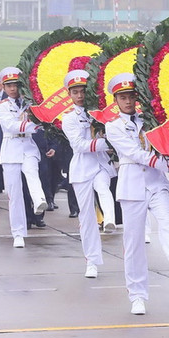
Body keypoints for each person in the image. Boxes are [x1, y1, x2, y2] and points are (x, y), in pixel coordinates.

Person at [103, 73, 169, 315]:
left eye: (132, 96)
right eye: (123, 97)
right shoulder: (113, 126)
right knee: (133, 244)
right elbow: (134, 152)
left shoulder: (149, 120)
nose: (128, 102)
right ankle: (137, 295)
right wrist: (162, 162)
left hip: (156, 183)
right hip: (132, 184)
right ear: (116, 100)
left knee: (167, 222)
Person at [61, 69, 118, 278]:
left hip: (100, 164)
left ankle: (110, 220)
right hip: (82, 167)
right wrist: (107, 143)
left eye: (83, 91)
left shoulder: (101, 113)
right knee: (86, 218)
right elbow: (78, 145)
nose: (80, 96)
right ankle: (92, 261)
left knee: (103, 187)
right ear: (69, 94)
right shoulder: (68, 118)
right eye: (75, 92)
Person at [0, 67, 47, 248]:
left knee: (32, 173)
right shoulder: (1, 106)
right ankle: (18, 232)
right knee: (15, 193)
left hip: (28, 146)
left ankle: (39, 200)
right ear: (4, 86)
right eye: (9, 85)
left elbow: (41, 122)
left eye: (16, 85)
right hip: (11, 148)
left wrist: (37, 122)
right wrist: (33, 124)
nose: (13, 89)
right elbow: (10, 126)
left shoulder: (30, 103)